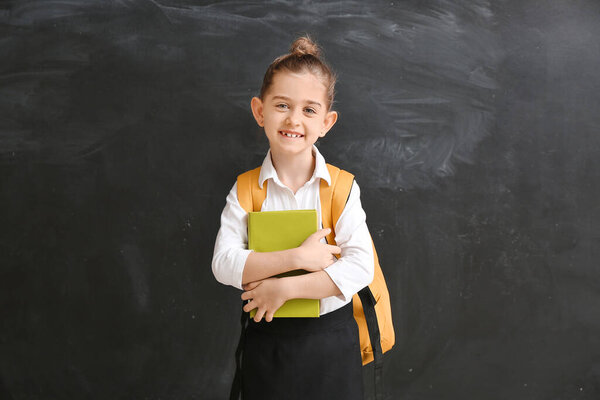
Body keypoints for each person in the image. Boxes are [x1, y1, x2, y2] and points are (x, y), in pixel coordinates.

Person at [212, 35, 375, 400]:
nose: (294, 119)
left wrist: (283, 288)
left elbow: (361, 267)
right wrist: (297, 258)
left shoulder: (342, 188)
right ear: (260, 111)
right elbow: (223, 264)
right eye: (282, 105)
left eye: (309, 110)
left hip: (330, 342)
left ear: (327, 122)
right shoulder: (246, 189)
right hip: (269, 342)